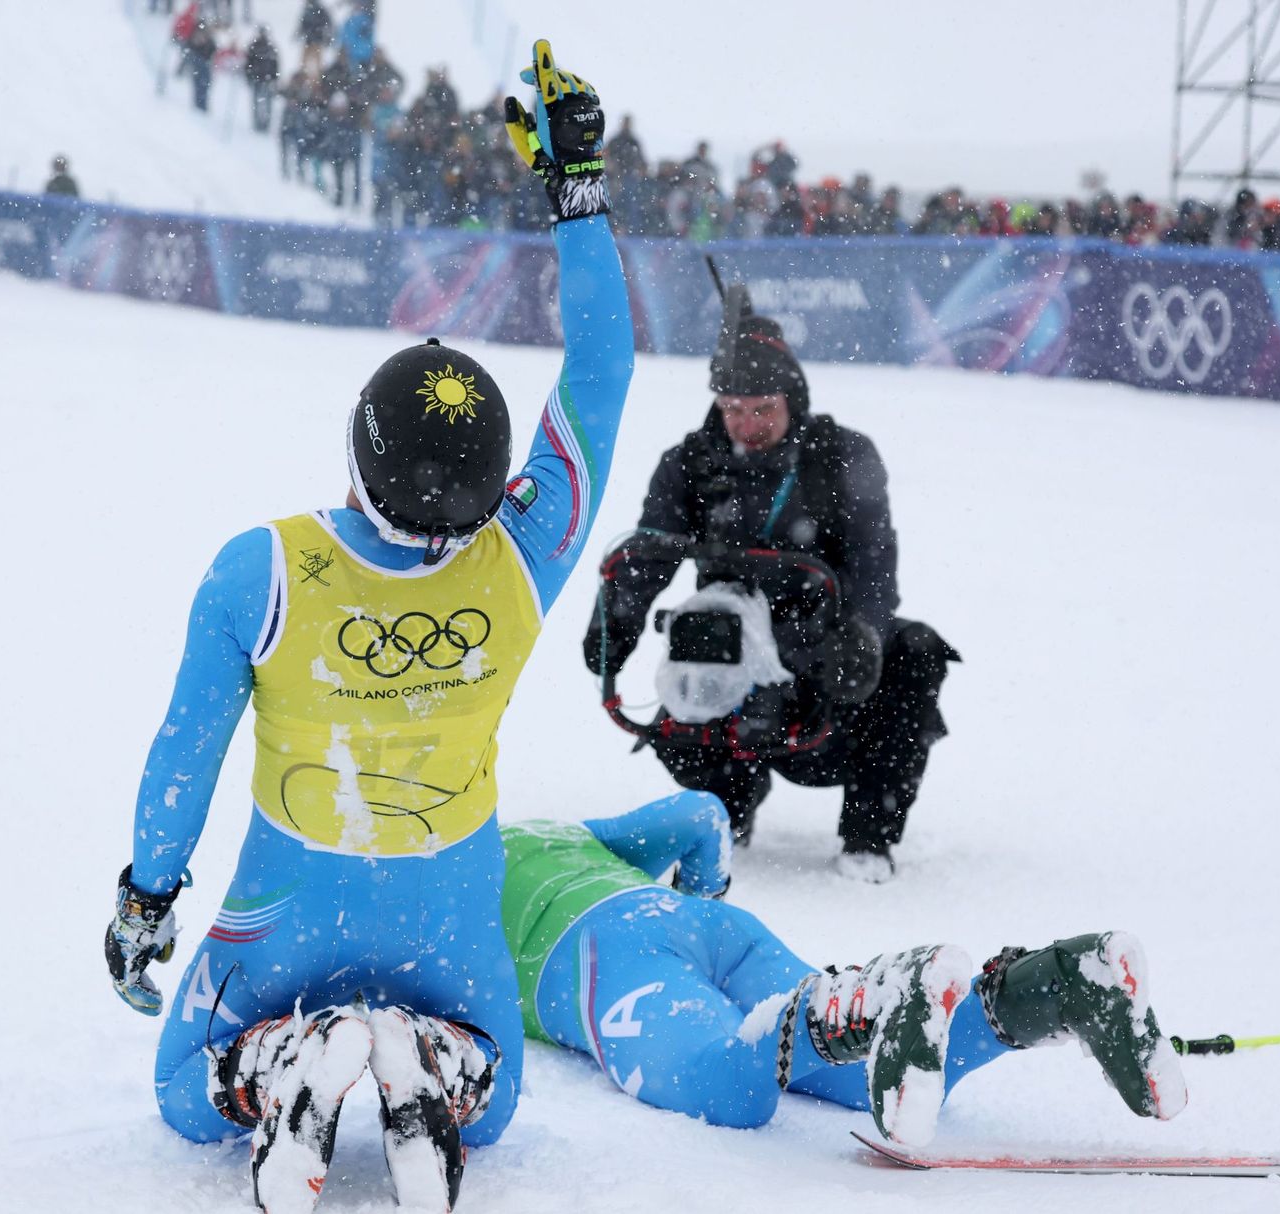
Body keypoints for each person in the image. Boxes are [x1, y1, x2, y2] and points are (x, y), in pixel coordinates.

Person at [103, 40, 626, 1214]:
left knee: (186, 1090)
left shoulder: (265, 566)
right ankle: (425, 1064)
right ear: (494, 484)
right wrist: (576, 190)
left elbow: (184, 753)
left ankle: (292, 1059)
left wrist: (145, 895)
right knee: (494, 1102)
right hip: (446, 912)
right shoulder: (522, 558)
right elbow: (601, 369)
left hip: (289, 904)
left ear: (358, 450)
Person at [502, 794, 1188, 1141]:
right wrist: (698, 901)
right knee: (872, 1076)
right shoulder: (540, 833)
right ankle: (1051, 989)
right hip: (710, 928)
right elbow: (700, 812)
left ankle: (851, 1005)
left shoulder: (427, 890)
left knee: (725, 1089)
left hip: (601, 955)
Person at [584, 287, 959, 880]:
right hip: (728, 656)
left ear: (793, 399)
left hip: (820, 652)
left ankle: (868, 838)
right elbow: (647, 556)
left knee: (914, 653)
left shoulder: (842, 456)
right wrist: (616, 623)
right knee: (695, 646)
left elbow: (873, 562)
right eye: (733, 408)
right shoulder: (689, 463)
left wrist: (862, 631)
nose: (747, 424)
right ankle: (723, 812)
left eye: (762, 409)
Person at [243, 26, 281, 133]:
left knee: (267, 102)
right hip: (257, 78)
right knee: (257, 101)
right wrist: (248, 76)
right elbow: (248, 64)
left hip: (267, 79)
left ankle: (265, 124)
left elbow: (275, 65)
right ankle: (257, 123)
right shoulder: (254, 47)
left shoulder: (271, 48)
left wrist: (275, 78)